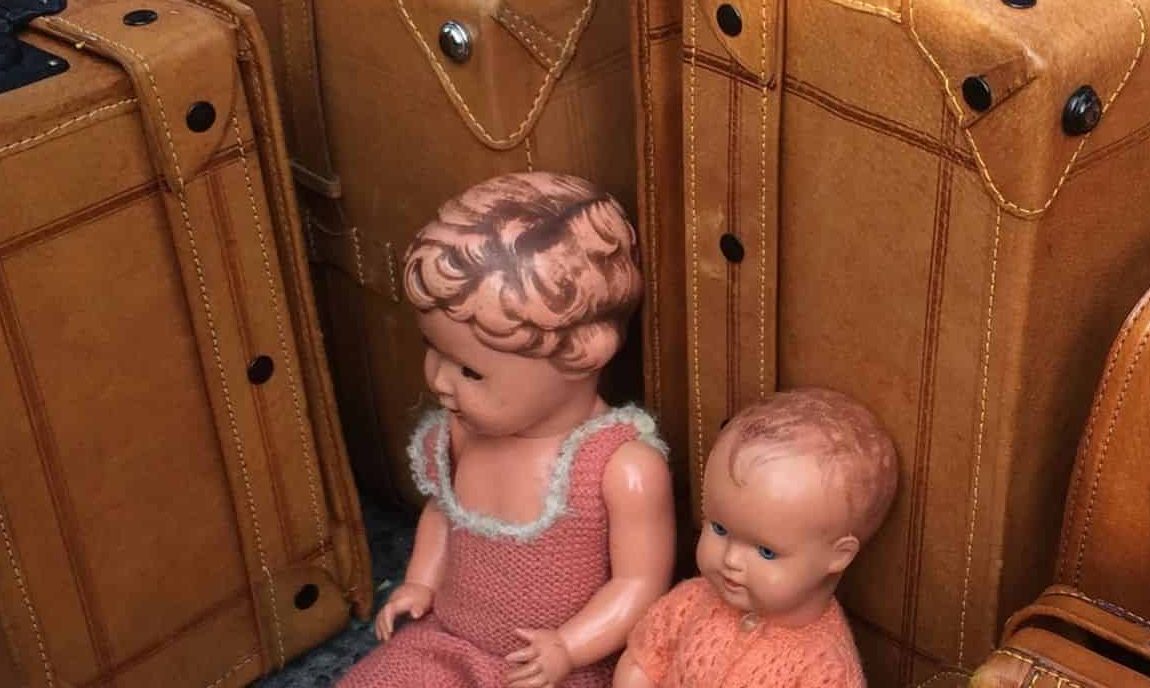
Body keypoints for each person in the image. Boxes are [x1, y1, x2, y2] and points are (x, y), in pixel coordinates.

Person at [342, 172, 674, 688]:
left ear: (580, 354)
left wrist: (569, 647)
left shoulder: (620, 467)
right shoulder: (461, 433)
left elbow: (639, 583)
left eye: (470, 371)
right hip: (450, 639)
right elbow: (443, 513)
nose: (440, 382)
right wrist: (420, 582)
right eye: (434, 350)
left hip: (550, 667)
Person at [615, 388, 899, 688]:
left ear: (838, 555)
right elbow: (643, 659)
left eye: (766, 551)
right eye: (720, 529)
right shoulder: (692, 600)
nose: (731, 559)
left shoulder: (825, 668)